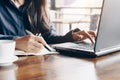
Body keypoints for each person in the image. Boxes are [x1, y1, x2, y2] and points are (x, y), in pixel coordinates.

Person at [0, 0, 96, 53]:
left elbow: (48, 37)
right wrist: (15, 42)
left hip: (35, 66)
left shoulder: (37, 3)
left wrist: (71, 37)